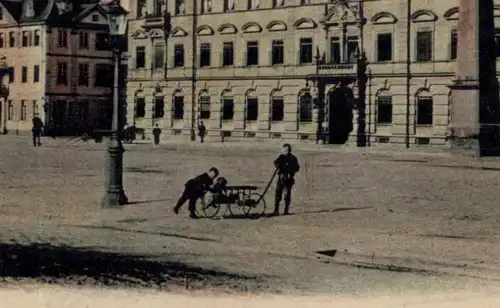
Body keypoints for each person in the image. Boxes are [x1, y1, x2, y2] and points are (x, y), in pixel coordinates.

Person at [273, 143, 300, 216]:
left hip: (288, 179)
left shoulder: (293, 158)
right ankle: (276, 210)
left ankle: (286, 210)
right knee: (278, 194)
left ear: (289, 150)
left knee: (287, 195)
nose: (284, 151)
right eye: (283, 150)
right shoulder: (281, 156)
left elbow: (297, 168)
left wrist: (290, 171)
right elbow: (276, 162)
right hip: (281, 178)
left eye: (286, 150)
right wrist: (278, 165)